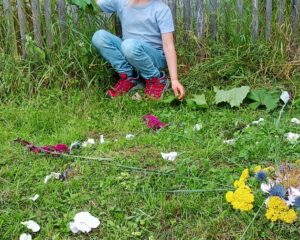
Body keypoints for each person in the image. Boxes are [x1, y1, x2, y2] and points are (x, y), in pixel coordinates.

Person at [92, 0, 185, 100]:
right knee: (99, 37)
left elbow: (168, 45)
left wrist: (174, 79)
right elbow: (93, 5)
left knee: (129, 45)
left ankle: (156, 79)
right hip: (129, 50)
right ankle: (129, 77)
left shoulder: (161, 9)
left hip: (154, 58)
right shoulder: (121, 2)